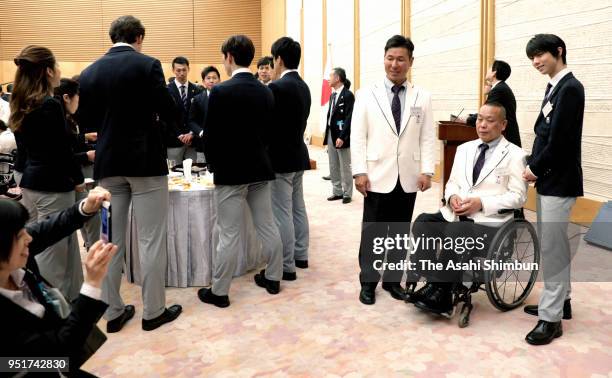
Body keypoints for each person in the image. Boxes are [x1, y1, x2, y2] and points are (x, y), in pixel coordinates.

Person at [78, 15, 182, 333]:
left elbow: (87, 121)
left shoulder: (89, 72)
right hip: (146, 165)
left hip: (108, 167)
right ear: (138, 37)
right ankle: (153, 312)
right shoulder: (147, 65)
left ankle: (113, 312)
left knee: (110, 241)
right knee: (151, 239)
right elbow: (171, 110)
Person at [408, 102, 528, 314]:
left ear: (503, 125)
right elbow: (452, 182)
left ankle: (442, 295)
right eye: (480, 119)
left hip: (489, 223)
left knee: (456, 232)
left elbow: (518, 197)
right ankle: (432, 283)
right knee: (423, 222)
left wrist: (482, 203)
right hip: (457, 213)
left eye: (490, 121)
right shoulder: (464, 149)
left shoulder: (515, 155)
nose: (482, 125)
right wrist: (452, 195)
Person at [351, 35, 436, 305]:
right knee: (373, 230)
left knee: (400, 231)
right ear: (384, 59)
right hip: (376, 175)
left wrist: (427, 170)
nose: (394, 64)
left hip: (408, 175)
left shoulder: (422, 96)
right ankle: (368, 282)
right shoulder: (366, 94)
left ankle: (392, 280)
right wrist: (359, 171)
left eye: (401, 59)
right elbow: (358, 136)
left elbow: (427, 137)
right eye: (390, 58)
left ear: (411, 62)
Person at [199, 35, 282, 308]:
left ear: (230, 58)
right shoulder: (266, 91)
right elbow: (270, 133)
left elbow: (211, 136)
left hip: (231, 172)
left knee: (229, 233)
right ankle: (273, 277)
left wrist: (212, 164)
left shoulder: (221, 92)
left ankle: (220, 291)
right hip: (260, 168)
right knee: (267, 225)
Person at [0, 187, 117, 376]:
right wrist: (91, 284)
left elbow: (51, 227)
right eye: (20, 236)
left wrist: (86, 208)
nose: (29, 238)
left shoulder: (14, 261)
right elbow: (57, 357)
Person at [522, 34, 584, 346]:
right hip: (550, 179)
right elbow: (544, 133)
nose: (535, 62)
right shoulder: (555, 86)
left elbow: (560, 142)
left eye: (540, 55)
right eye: (532, 57)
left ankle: (551, 319)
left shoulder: (570, 88)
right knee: (554, 245)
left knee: (552, 248)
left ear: (558, 51)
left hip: (558, 180)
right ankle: (563, 302)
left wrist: (533, 168)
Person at [10, 45, 85, 302]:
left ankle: (73, 299)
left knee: (59, 244)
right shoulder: (49, 104)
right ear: (49, 70)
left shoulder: (19, 101)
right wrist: (78, 179)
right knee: (52, 254)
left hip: (30, 183)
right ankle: (53, 310)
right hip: (52, 185)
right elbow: (60, 149)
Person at [268, 36, 312, 278]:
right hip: (297, 154)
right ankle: (301, 254)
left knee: (282, 211)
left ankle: (286, 265)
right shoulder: (304, 86)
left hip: (280, 158)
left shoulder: (277, 87)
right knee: (298, 207)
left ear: (279, 60)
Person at [54, 78, 100, 251]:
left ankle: (93, 248)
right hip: (66, 177)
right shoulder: (58, 116)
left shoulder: (63, 115)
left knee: (90, 215)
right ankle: (94, 249)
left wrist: (84, 137)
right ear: (67, 97)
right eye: (78, 95)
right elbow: (62, 153)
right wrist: (85, 157)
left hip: (71, 174)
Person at [458, 60, 521, 147]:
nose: (487, 70)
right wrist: (471, 115)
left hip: (506, 138)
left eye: (489, 68)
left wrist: (467, 120)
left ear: (494, 73)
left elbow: (487, 113)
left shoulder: (498, 90)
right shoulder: (500, 88)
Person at [324, 67, 355, 204]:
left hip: (342, 134)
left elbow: (349, 118)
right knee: (333, 164)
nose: (328, 79)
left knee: (344, 164)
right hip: (331, 133)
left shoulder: (348, 95)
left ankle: (347, 192)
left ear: (337, 78)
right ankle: (337, 191)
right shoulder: (332, 95)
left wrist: (342, 137)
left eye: (330, 76)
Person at [165, 56, 202, 163]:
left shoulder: (197, 90)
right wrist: (180, 135)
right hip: (174, 140)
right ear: (173, 71)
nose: (181, 73)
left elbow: (199, 115)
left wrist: (191, 133)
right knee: (175, 174)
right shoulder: (166, 91)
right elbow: (167, 116)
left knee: (194, 172)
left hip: (192, 141)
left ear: (188, 69)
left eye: (184, 70)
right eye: (178, 70)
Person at [188, 65, 221, 163]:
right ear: (203, 81)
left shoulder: (225, 97)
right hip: (202, 144)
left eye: (214, 78)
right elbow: (191, 120)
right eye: (208, 78)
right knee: (202, 174)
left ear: (219, 80)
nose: (211, 81)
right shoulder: (197, 99)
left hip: (221, 144)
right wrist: (201, 132)